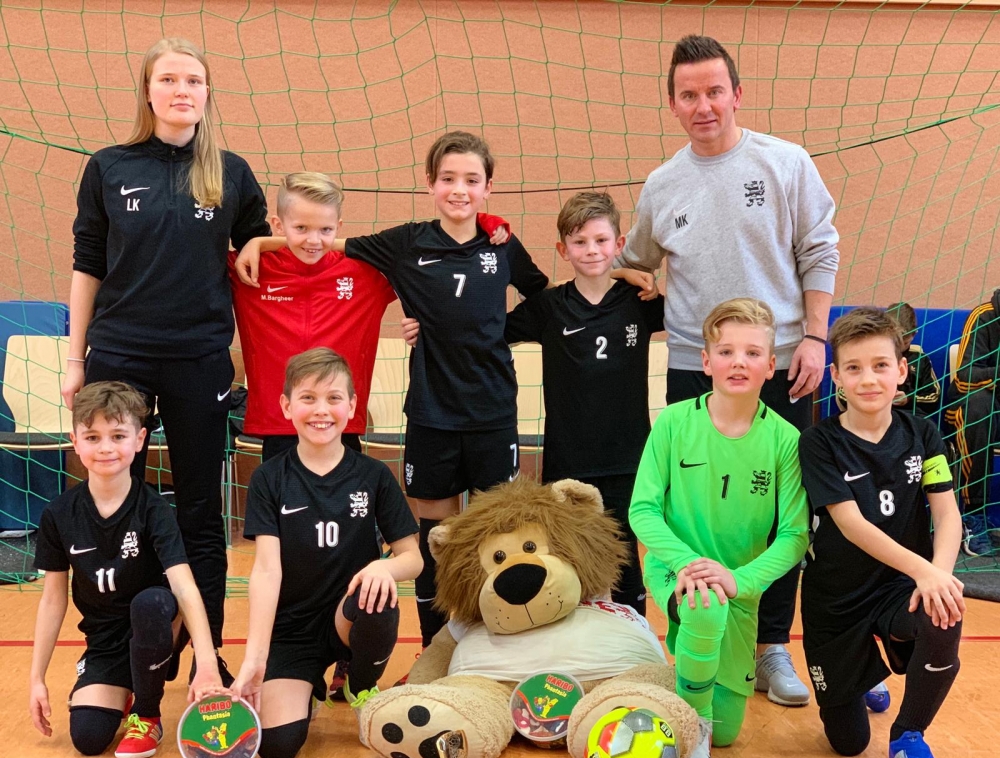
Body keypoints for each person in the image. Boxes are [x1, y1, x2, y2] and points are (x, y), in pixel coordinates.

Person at [236, 130, 653, 649]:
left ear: (488, 188)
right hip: (431, 414)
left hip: (493, 414)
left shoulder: (503, 244)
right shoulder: (406, 242)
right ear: (430, 184)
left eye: (472, 180)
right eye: (449, 178)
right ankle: (436, 646)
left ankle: (497, 642)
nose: (460, 189)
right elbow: (321, 240)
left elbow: (548, 297)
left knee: (498, 532)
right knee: (436, 533)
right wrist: (260, 241)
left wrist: (619, 277)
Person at [617, 34, 840, 705]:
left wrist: (815, 337)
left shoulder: (786, 163)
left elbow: (820, 249)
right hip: (693, 365)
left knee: (774, 513)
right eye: (689, 95)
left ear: (737, 94)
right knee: (693, 512)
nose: (704, 105)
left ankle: (771, 647)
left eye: (715, 91)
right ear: (673, 104)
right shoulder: (662, 184)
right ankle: (693, 632)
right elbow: (633, 261)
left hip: (781, 366)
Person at [61, 37, 272, 678]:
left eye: (194, 81)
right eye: (169, 79)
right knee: (114, 506)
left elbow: (264, 248)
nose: (182, 90)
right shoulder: (109, 166)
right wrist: (76, 360)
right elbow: (87, 264)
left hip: (199, 359)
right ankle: (118, 653)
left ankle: (208, 657)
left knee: (201, 512)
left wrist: (259, 244)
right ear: (148, 92)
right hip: (118, 354)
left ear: (208, 94)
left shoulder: (231, 172)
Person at [629, 299, 810, 758]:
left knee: (728, 732)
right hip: (675, 571)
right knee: (703, 603)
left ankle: (685, 692)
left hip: (739, 586)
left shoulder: (786, 439)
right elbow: (642, 511)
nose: (738, 362)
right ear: (706, 361)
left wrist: (739, 579)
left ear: (771, 365)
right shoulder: (672, 423)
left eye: (752, 353)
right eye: (726, 352)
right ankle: (692, 726)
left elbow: (794, 535)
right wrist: (687, 564)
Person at [798, 307, 964, 758]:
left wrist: (938, 576)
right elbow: (851, 525)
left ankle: (909, 737)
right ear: (835, 376)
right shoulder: (819, 442)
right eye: (853, 367)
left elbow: (947, 515)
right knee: (848, 743)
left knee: (943, 612)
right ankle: (866, 675)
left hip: (898, 590)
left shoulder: (923, 434)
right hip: (836, 600)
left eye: (880, 365)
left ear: (901, 371)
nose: (868, 379)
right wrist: (924, 571)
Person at [231, 349, 421, 758]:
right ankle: (309, 687)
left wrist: (384, 566)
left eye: (334, 398)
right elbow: (266, 571)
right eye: (308, 398)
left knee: (379, 597)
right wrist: (254, 658)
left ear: (352, 406)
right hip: (293, 631)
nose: (321, 410)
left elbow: (413, 557)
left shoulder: (373, 475)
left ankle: (359, 684)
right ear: (286, 406)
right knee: (277, 748)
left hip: (347, 617)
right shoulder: (269, 478)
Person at [28, 382, 223, 758]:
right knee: (88, 738)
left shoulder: (154, 509)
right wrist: (37, 678)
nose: (105, 447)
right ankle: (128, 686)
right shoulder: (59, 514)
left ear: (139, 439)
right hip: (105, 640)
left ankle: (147, 713)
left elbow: (184, 586)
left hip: (157, 623)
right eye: (93, 437)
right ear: (75, 441)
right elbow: (53, 600)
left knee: (150, 603)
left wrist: (207, 661)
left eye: (118, 436)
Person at [503, 191, 665, 614]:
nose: (591, 250)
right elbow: (487, 331)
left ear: (619, 243)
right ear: (563, 250)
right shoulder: (548, 307)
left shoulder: (640, 303)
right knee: (570, 558)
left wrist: (634, 275)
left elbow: (695, 309)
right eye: (580, 242)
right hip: (569, 457)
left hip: (628, 455)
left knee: (625, 557)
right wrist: (423, 328)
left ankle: (633, 637)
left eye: (601, 240)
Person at [229, 172, 396, 463]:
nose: (313, 240)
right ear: (278, 225)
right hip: (278, 424)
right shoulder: (251, 268)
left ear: (339, 227)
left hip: (340, 424)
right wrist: (258, 244)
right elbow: (194, 254)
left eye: (325, 229)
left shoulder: (364, 273)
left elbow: (422, 258)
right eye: (301, 228)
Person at [944, 288, 1000, 557]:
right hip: (970, 409)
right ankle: (973, 517)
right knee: (980, 408)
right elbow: (965, 376)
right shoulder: (984, 316)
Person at [836, 302, 939, 417]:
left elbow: (934, 398)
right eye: (895, 342)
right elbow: (842, 396)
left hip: (910, 417)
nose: (898, 347)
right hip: (868, 416)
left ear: (914, 334)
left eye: (905, 343)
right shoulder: (865, 356)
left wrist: (908, 399)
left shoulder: (920, 359)